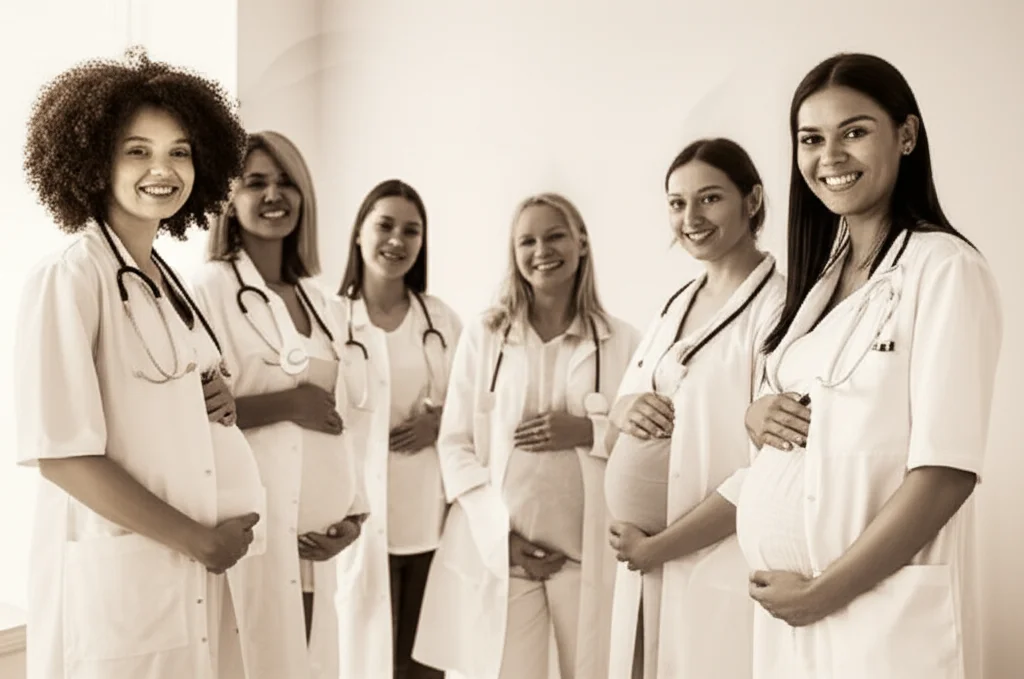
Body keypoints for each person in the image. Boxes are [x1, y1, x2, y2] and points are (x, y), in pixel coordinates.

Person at [716, 53, 999, 679]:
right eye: (811, 139)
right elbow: (801, 414)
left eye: (854, 131)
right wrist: (756, 413)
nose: (830, 156)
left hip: (873, 615)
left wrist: (825, 591)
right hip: (793, 618)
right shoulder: (820, 280)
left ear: (905, 135)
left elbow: (946, 471)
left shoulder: (945, 270)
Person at [14, 48, 261, 679]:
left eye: (179, 150)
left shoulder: (161, 277)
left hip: (188, 574)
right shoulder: (71, 277)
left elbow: (171, 391)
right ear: (94, 161)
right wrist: (196, 538)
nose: (164, 169)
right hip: (129, 573)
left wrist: (218, 397)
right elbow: (62, 455)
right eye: (137, 150)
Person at [413, 193, 640, 679]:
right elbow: (455, 444)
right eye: (527, 241)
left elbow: (642, 445)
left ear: (581, 242)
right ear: (514, 254)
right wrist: (500, 537)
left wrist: (587, 430)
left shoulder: (623, 342)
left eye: (555, 235)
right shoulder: (486, 335)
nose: (542, 250)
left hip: (587, 555)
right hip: (506, 554)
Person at [604, 138, 785, 679]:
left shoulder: (782, 310)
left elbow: (766, 471)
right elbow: (622, 404)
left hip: (712, 560)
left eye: (709, 199)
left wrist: (660, 546)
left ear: (752, 200)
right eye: (677, 203)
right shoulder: (677, 300)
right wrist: (626, 408)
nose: (690, 217)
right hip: (646, 562)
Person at [191, 130, 369, 679]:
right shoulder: (210, 288)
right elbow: (193, 417)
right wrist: (289, 402)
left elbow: (343, 418)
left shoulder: (320, 301)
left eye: (287, 182)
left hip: (316, 544)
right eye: (256, 182)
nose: (274, 195)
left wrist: (353, 513)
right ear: (230, 199)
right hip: (255, 534)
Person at [330, 179, 463, 679]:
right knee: (361, 662)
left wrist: (441, 421)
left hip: (429, 523)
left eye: (412, 230)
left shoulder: (443, 321)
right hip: (358, 521)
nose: (397, 240)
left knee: (424, 667)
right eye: (385, 225)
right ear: (359, 233)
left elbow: (480, 408)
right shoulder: (330, 316)